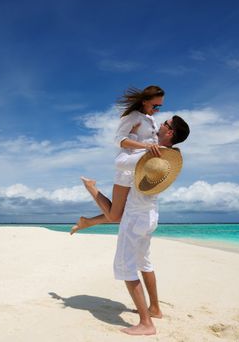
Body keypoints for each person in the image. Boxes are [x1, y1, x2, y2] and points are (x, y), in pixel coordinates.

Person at [74, 116, 190, 336]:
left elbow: (121, 159)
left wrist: (134, 134)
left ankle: (146, 323)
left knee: (126, 267)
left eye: (164, 124)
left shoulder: (148, 154)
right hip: (151, 215)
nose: (159, 126)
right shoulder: (169, 156)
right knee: (145, 262)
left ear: (170, 133)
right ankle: (154, 308)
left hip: (136, 217)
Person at [75, 85, 165, 232]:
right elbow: (119, 140)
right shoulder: (132, 116)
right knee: (115, 216)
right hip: (126, 170)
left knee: (127, 213)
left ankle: (87, 222)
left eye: (159, 107)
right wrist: (146, 146)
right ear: (144, 101)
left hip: (141, 171)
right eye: (155, 105)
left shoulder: (151, 119)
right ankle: (91, 187)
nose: (156, 110)